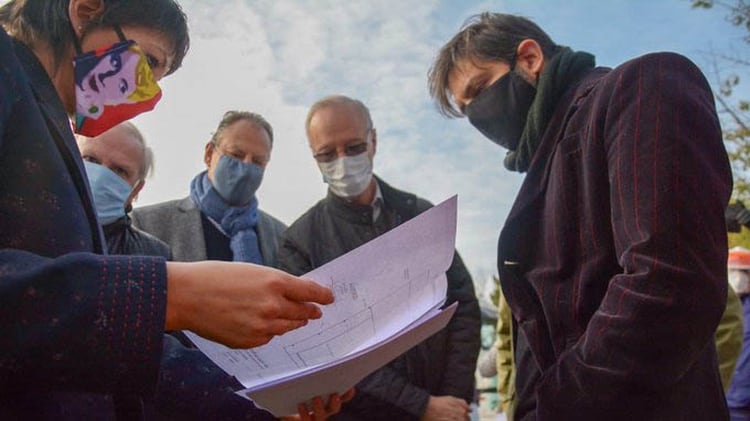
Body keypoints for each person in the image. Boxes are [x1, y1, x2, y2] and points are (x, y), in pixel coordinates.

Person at [0, 1, 344, 419]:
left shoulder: (44, 117)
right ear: (87, 10)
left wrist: (263, 412)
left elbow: (127, 350)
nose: (142, 92)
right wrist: (171, 295)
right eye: (146, 61)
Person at [428, 12, 732, 419]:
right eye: (466, 111)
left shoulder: (642, 88)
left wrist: (555, 407)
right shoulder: (542, 167)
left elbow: (667, 283)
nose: (478, 118)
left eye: (479, 90)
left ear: (530, 58)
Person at [277, 95, 481, 421]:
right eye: (328, 154)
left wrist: (451, 398)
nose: (342, 161)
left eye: (354, 147)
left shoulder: (419, 216)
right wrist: (419, 405)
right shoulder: (299, 243)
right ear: (315, 158)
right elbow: (327, 348)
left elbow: (463, 306)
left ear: (373, 140)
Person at [131, 110, 286, 267]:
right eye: (236, 155)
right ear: (209, 153)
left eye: (257, 161)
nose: (246, 166)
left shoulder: (282, 238)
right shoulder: (147, 224)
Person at [76, 121, 171, 258]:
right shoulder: (35, 227)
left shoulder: (152, 256)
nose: (100, 177)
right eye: (91, 159)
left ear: (136, 190)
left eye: (119, 170)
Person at [728, 247, 750, 420]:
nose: (736, 277)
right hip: (726, 394)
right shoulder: (720, 307)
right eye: (732, 271)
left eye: (742, 271)